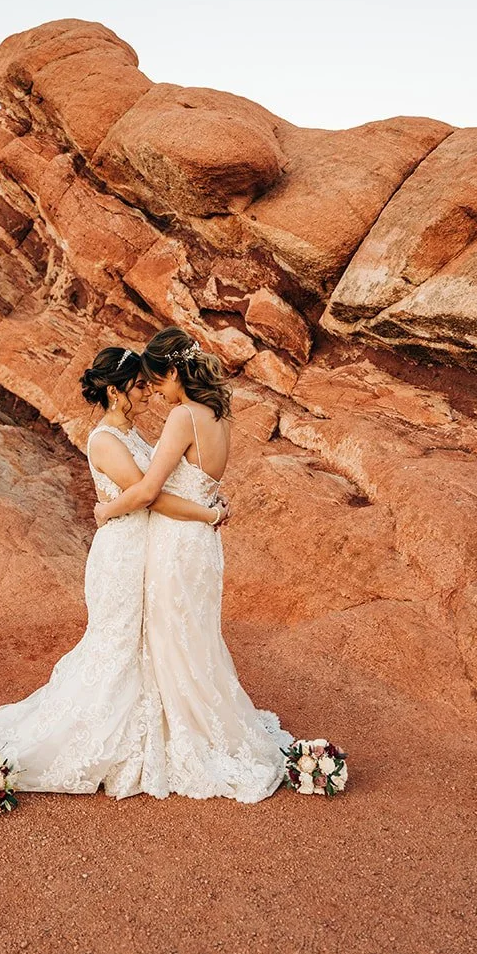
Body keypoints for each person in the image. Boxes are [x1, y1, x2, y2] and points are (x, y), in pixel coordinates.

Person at [0, 345, 225, 796]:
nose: (148, 394)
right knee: (115, 645)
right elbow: (146, 495)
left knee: (143, 645)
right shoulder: (105, 440)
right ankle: (87, 741)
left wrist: (201, 503)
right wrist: (203, 513)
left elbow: (162, 481)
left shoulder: (134, 435)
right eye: (139, 387)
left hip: (146, 550)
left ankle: (151, 729)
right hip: (121, 554)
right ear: (116, 392)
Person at [92, 326, 290, 802]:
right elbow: (203, 479)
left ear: (176, 371)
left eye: (157, 380)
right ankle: (199, 726)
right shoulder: (218, 413)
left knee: (171, 638)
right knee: (193, 635)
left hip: (177, 542)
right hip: (203, 544)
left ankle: (187, 737)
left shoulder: (183, 416)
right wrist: (213, 510)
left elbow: (149, 493)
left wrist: (105, 510)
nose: (156, 391)